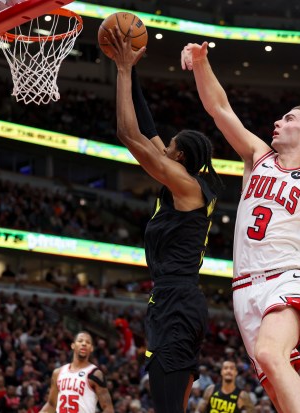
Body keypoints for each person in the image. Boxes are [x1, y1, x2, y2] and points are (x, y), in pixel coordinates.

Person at [181, 42, 300, 412]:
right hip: (243, 289)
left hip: (284, 278)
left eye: (288, 120)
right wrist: (202, 64)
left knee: (270, 353)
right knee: (275, 387)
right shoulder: (258, 156)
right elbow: (219, 109)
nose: (277, 123)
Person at [106, 26, 224, 413]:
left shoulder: (186, 185)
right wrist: (133, 71)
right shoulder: (182, 180)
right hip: (171, 300)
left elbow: (127, 132)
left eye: (170, 148)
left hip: (177, 301)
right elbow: (147, 127)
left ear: (180, 158)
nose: (163, 146)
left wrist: (122, 71)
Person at [39, 331, 113, 413]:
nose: (84, 344)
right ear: (73, 345)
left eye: (88, 342)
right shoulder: (58, 373)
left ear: (91, 348)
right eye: (80, 341)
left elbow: (108, 409)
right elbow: (51, 405)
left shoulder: (95, 374)